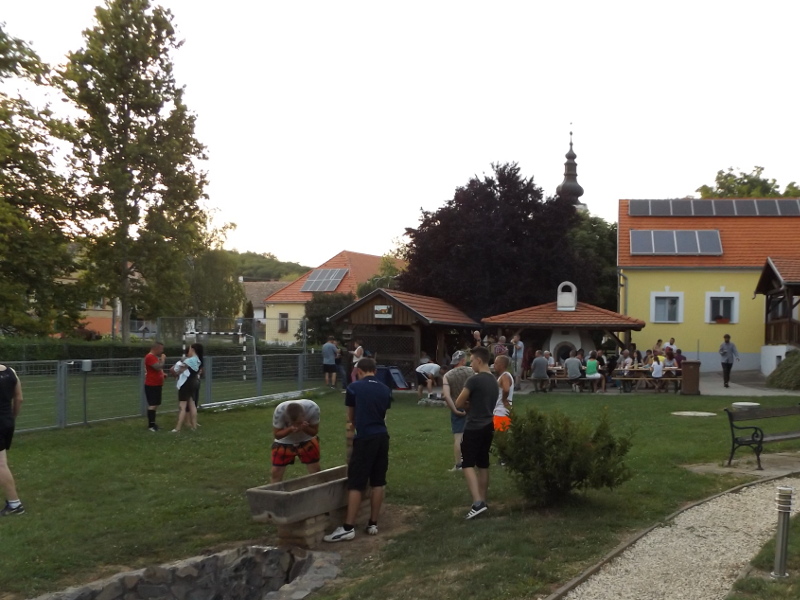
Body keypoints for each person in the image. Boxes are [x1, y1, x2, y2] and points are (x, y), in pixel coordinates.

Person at [324, 358, 391, 542]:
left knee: (356, 482)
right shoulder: (385, 389)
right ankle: (373, 523)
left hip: (365, 437)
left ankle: (348, 527)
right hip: (382, 437)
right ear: (375, 371)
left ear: (359, 371)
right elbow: (383, 414)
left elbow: (351, 416)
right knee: (378, 481)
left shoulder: (354, 388)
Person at [455, 346, 499, 519]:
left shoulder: (474, 380)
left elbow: (459, 403)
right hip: (489, 425)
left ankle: (477, 502)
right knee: (483, 464)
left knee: (467, 464)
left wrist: (468, 405)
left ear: (479, 360)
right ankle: (483, 500)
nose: (470, 364)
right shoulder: (493, 380)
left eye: (472, 360)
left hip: (474, 426)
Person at [270, 399, 321, 482]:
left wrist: (305, 428)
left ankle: (318, 487)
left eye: (298, 422)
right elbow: (277, 435)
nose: (296, 426)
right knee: (276, 472)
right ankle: (274, 489)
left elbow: (314, 432)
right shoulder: (279, 411)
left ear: (304, 416)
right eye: (292, 423)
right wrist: (290, 429)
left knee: (316, 470)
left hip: (307, 439)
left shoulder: (313, 408)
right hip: (284, 441)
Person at [442, 351, 472, 471]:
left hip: (458, 406)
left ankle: (459, 464)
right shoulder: (472, 372)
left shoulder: (448, 375)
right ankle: (472, 460)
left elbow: (446, 395)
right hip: (472, 406)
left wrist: (454, 410)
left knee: (458, 437)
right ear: (463, 360)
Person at [0, 363, 24, 516]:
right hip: (7, 421)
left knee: (1, 464)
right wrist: (12, 417)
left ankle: (15, 504)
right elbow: (19, 398)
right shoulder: (11, 372)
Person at [170, 343, 203, 433]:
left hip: (185, 384)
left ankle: (178, 428)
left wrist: (178, 368)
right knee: (192, 405)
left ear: (193, 350)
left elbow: (177, 368)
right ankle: (194, 426)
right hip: (193, 382)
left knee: (182, 406)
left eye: (190, 349)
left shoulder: (190, 360)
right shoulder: (198, 360)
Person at [144, 341, 167, 432]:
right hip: (151, 384)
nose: (162, 351)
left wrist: (162, 374)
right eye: (161, 349)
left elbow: (157, 370)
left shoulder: (154, 357)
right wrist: (163, 359)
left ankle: (153, 423)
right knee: (152, 405)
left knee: (156, 404)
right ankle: (151, 426)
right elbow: (158, 367)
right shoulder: (149, 357)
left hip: (157, 384)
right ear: (156, 348)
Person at [493, 355, 513, 431]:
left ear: (502, 365)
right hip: (499, 410)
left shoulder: (505, 376)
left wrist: (504, 399)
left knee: (500, 435)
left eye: (496, 363)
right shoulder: (503, 375)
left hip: (501, 411)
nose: (494, 365)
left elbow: (506, 389)